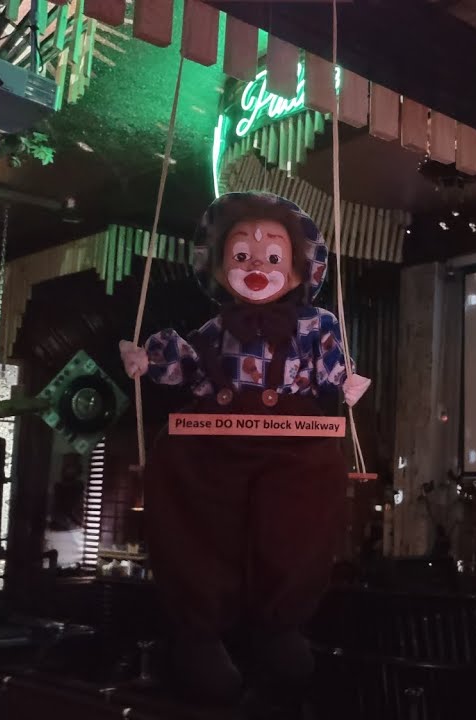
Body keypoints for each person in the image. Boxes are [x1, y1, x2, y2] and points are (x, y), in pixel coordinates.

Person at [119, 192, 367, 709]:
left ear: (298, 272)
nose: (257, 266)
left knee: (296, 521)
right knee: (194, 510)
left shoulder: (316, 325)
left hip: (294, 444)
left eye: (273, 256)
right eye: (241, 255)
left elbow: (331, 372)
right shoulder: (214, 330)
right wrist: (148, 361)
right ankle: (199, 633)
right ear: (218, 268)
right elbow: (187, 366)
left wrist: (344, 385)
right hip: (217, 437)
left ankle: (279, 625)